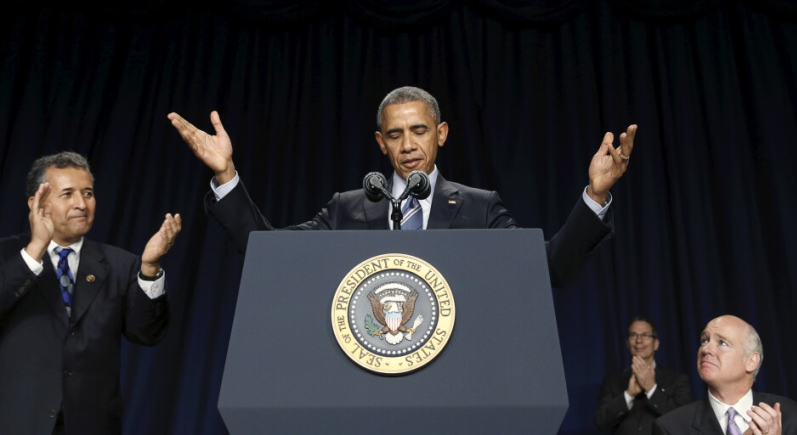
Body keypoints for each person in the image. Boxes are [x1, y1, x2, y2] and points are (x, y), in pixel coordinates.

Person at [168, 86, 636, 286]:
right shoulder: (347, 209)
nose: (408, 145)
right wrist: (227, 176)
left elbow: (549, 269)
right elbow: (266, 253)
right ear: (380, 143)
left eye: (419, 131)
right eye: (395, 135)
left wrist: (594, 195)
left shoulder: (478, 208)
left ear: (442, 133)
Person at [0, 152, 182, 435]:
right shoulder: (7, 256)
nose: (81, 204)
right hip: (18, 422)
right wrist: (35, 248)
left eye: (88, 193)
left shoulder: (121, 264)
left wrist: (149, 268)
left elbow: (147, 333)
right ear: (37, 203)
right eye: (68, 194)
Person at [653, 315, 797, 435]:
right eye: (704, 340)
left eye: (722, 343)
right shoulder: (671, 428)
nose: (706, 349)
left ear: (751, 361)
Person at [595, 316, 692, 434]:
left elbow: (682, 421)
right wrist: (629, 395)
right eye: (633, 335)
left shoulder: (678, 379)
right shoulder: (612, 380)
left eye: (645, 335)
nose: (639, 340)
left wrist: (651, 388)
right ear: (627, 343)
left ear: (656, 344)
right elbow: (601, 421)